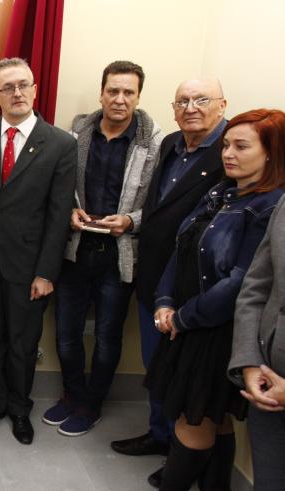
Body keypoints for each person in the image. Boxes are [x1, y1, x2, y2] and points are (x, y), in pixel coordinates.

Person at [145, 109, 285, 490]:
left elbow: (242, 282)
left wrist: (183, 317)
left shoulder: (270, 206)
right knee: (215, 419)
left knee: (193, 421)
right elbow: (182, 247)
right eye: (226, 145)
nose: (228, 153)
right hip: (189, 321)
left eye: (241, 146)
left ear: (271, 152)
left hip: (217, 333)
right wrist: (164, 299)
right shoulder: (222, 192)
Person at [110, 79, 228, 488]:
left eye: (201, 100)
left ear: (222, 105)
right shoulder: (172, 144)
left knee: (185, 378)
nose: (190, 107)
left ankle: (181, 458)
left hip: (195, 290)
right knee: (157, 366)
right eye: (182, 101)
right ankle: (159, 435)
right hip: (156, 278)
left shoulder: (228, 152)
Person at [0, 57, 77, 445]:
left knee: (23, 344)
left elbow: (60, 215)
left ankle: (19, 408)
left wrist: (46, 272)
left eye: (23, 84)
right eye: (7, 87)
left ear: (35, 89)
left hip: (29, 266)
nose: (17, 92)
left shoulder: (60, 143)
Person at [43, 61, 163, 437]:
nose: (120, 99)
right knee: (67, 332)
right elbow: (58, 186)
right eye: (113, 90)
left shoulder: (155, 143)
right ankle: (72, 395)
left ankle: (92, 404)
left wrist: (131, 222)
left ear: (138, 97)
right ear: (101, 93)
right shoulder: (76, 133)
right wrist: (69, 212)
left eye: (128, 92)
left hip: (119, 255)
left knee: (109, 335)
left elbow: (160, 202)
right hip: (76, 250)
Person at [229, 110, 285, 491]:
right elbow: (255, 288)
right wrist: (250, 361)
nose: (228, 153)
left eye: (240, 146)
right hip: (264, 379)